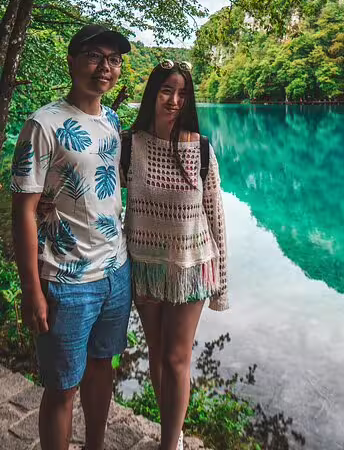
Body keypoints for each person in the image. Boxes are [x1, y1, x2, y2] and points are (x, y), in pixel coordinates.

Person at [11, 24, 132, 450]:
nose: (106, 67)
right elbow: (23, 210)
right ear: (72, 60)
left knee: (103, 370)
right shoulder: (44, 124)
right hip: (66, 280)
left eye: (114, 60)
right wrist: (33, 291)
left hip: (116, 272)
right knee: (62, 388)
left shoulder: (113, 119)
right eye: (96, 56)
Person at [122, 59, 228, 450]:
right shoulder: (129, 146)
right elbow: (99, 196)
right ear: (153, 93)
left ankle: (170, 445)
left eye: (182, 93)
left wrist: (222, 284)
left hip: (192, 268)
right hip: (145, 267)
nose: (174, 100)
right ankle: (175, 431)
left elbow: (216, 217)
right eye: (167, 90)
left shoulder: (200, 149)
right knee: (156, 354)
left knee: (175, 359)